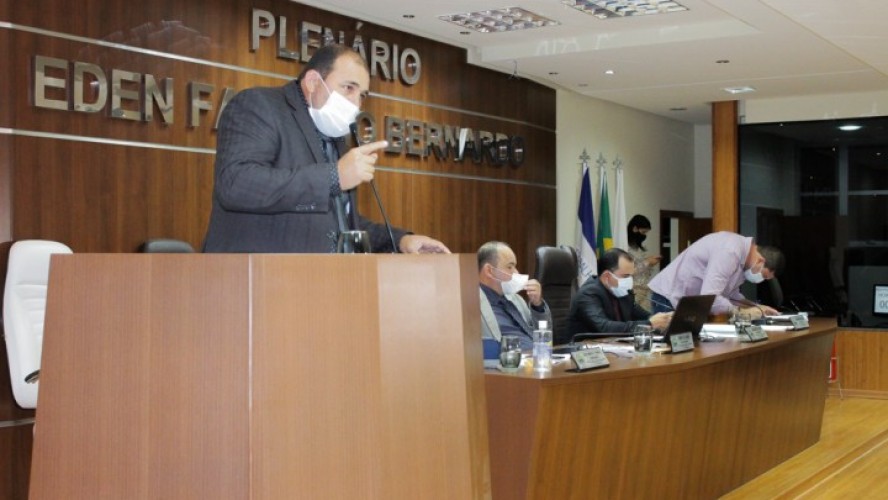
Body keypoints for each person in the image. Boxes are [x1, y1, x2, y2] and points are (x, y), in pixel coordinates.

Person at [203, 44, 449, 254]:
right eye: (348, 88)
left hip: (323, 287)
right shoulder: (260, 106)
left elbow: (343, 225)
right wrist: (334, 177)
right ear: (312, 82)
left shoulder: (334, 138)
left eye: (362, 95)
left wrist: (402, 240)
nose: (356, 102)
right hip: (254, 284)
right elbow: (236, 184)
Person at [647, 231, 784, 318]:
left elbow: (731, 295)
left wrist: (757, 307)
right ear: (760, 260)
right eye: (763, 276)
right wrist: (742, 313)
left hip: (687, 303)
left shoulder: (743, 262)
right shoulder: (730, 252)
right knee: (671, 350)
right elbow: (711, 297)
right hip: (668, 298)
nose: (760, 280)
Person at [567, 248, 672, 335]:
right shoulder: (588, 294)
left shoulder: (622, 292)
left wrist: (664, 319)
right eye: (625, 276)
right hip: (584, 351)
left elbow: (642, 315)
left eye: (631, 275)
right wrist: (649, 324)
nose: (629, 280)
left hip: (614, 348)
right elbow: (604, 328)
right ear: (607, 276)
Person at [478, 241, 551, 350]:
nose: (516, 272)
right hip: (507, 363)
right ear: (489, 270)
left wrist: (538, 305)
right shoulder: (470, 302)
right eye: (510, 267)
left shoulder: (516, 299)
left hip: (538, 358)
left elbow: (545, 335)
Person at [626, 214, 661, 311]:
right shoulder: (624, 248)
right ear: (635, 229)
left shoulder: (640, 248)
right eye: (643, 232)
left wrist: (651, 262)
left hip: (644, 291)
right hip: (632, 291)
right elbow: (628, 271)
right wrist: (647, 262)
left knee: (647, 320)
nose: (644, 235)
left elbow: (642, 268)